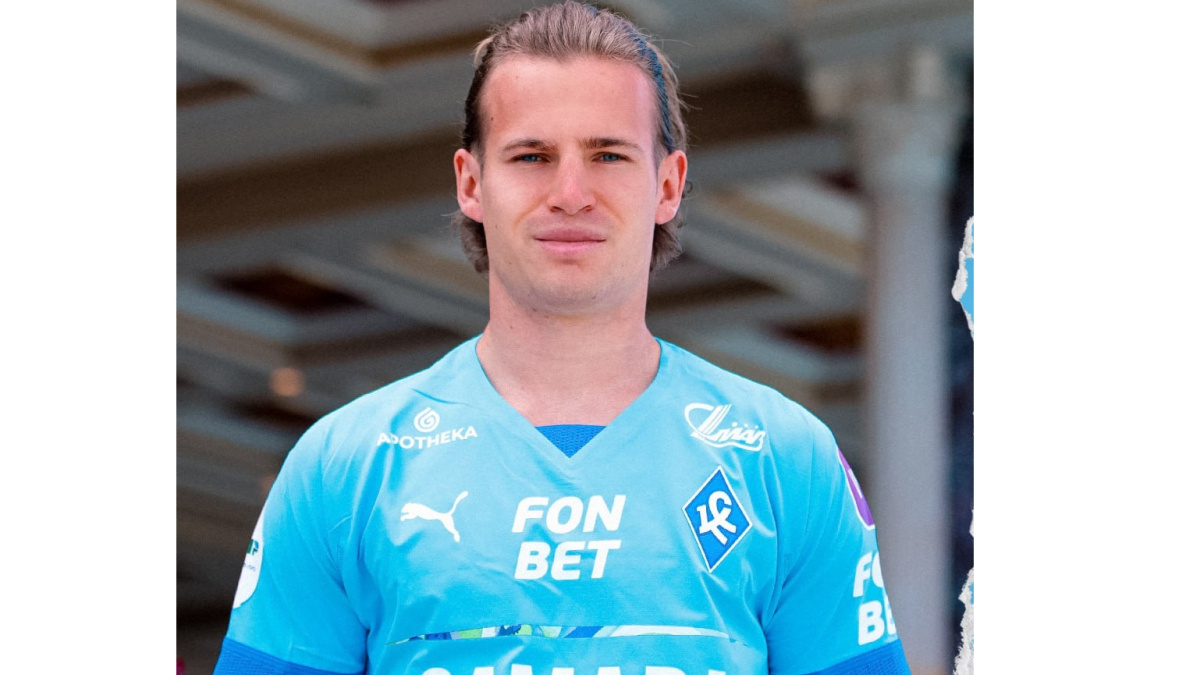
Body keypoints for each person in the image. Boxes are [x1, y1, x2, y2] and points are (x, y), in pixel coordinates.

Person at [213, 3, 909, 674]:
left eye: (608, 155)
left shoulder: (785, 460)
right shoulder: (345, 467)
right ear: (471, 183)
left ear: (668, 185)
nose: (571, 192)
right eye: (531, 156)